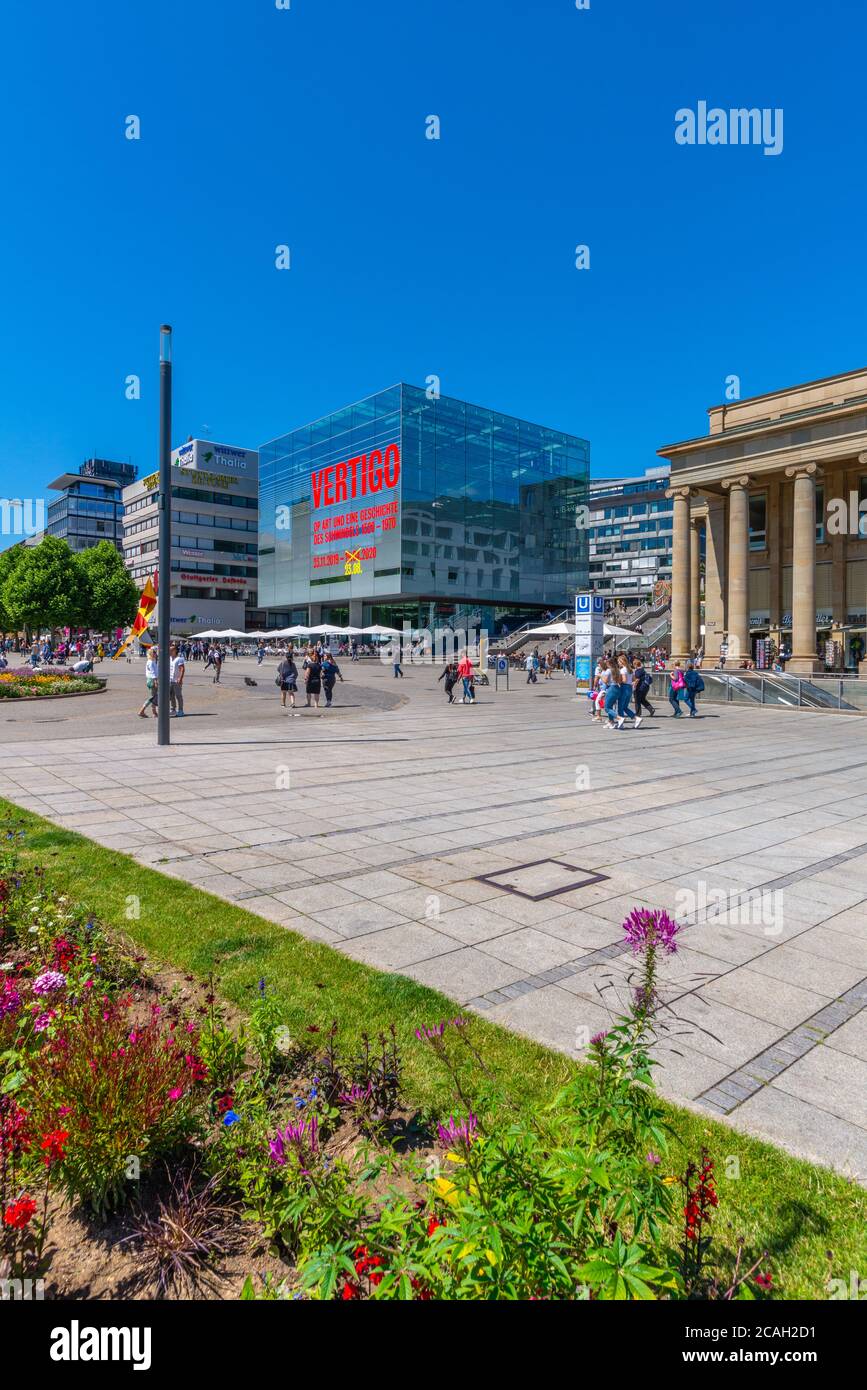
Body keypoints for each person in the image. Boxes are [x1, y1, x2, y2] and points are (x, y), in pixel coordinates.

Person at [632, 657, 655, 726]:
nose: (633, 665)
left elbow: (637, 680)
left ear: (636, 664)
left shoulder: (638, 671)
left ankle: (638, 713)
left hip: (640, 688)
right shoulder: (643, 670)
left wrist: (633, 685)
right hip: (645, 687)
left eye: (634, 664)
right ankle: (651, 709)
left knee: (637, 701)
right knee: (642, 699)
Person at [139, 646, 159, 719]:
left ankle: (154, 712)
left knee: (154, 696)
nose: (155, 653)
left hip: (150, 680)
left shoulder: (150, 661)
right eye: (154, 652)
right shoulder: (151, 662)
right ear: (151, 654)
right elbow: (153, 672)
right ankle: (142, 710)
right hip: (152, 680)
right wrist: (156, 681)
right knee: (152, 697)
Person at [169, 641, 185, 717]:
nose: (170, 651)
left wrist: (180, 678)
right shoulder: (169, 658)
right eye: (169, 650)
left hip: (176, 680)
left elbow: (182, 669)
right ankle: (173, 709)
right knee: (171, 695)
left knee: (178, 695)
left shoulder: (179, 659)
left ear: (175, 651)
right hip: (170, 680)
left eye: (171, 650)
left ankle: (181, 710)